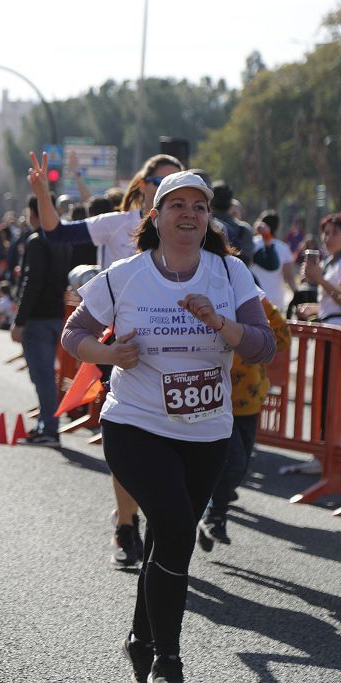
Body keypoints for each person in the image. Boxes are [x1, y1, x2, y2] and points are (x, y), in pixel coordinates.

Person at [60, 171, 274, 683]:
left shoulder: (230, 274)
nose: (188, 214)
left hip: (206, 429)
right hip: (135, 422)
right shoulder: (127, 275)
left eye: (198, 207)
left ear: (208, 219)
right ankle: (168, 659)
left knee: (167, 536)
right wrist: (110, 354)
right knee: (177, 523)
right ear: (155, 216)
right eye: (175, 205)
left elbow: (263, 345)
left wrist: (220, 324)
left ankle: (141, 636)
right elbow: (75, 334)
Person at [31, 150, 184, 568]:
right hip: (122, 347)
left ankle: (154, 516)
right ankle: (127, 524)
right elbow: (57, 233)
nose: (168, 193)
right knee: (132, 437)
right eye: (160, 184)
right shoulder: (117, 223)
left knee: (169, 439)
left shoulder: (191, 230)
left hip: (175, 347)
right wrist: (44, 193)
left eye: (178, 184)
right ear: (142, 186)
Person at [198, 298, 290, 550]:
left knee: (239, 469)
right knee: (233, 462)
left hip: (249, 401)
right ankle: (213, 515)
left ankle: (208, 510)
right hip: (215, 400)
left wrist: (263, 307)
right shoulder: (208, 304)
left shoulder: (254, 303)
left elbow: (282, 338)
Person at [11, 194, 72, 446]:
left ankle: (49, 427)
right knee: (48, 374)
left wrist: (19, 320)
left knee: (43, 374)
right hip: (58, 312)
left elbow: (31, 282)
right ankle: (46, 424)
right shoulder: (65, 240)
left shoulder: (37, 241)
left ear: (33, 212)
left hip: (37, 317)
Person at [249, 210, 296, 312]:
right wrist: (297, 296)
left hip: (253, 299)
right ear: (277, 227)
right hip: (275, 302)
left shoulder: (250, 244)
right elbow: (289, 277)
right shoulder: (284, 248)